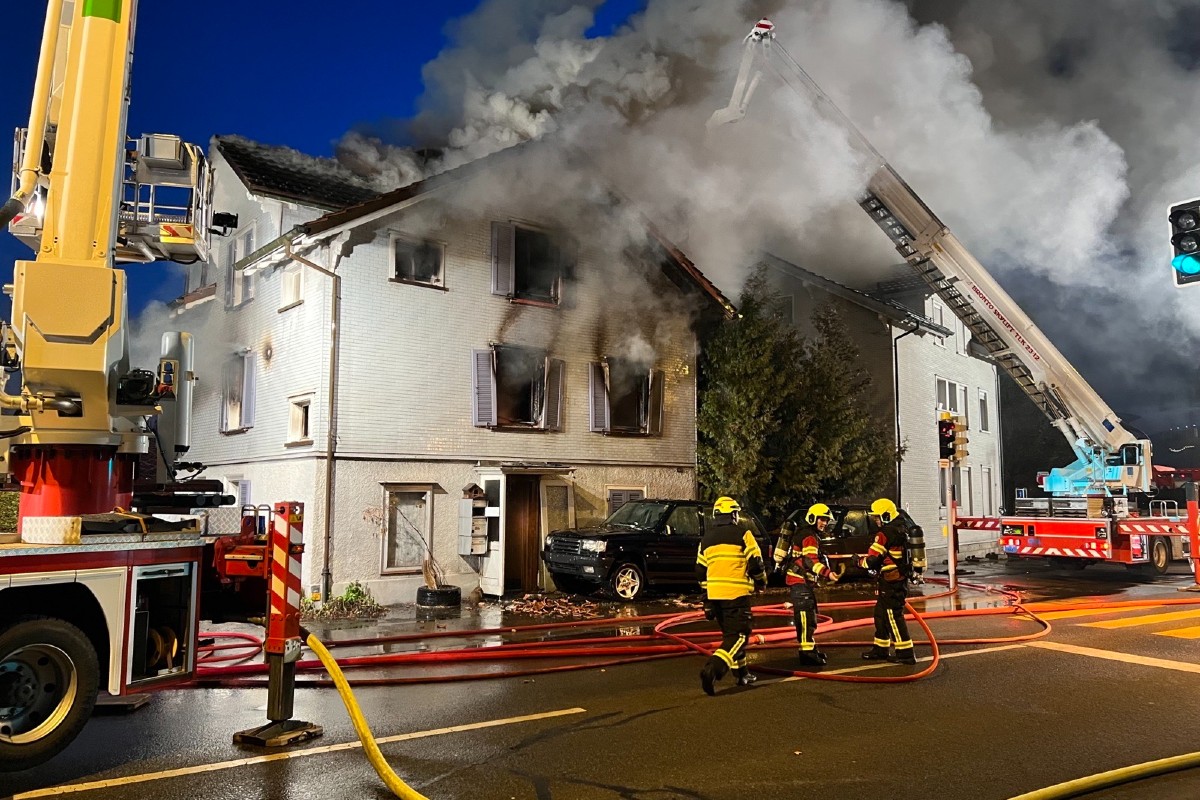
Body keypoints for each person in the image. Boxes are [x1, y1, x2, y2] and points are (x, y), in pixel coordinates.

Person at [696, 496, 767, 695]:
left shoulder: (706, 540)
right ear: (734, 515)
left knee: (730, 636)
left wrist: (707, 599)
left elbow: (700, 572)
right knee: (740, 637)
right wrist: (761, 581)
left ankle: (742, 673)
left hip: (716, 598)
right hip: (736, 596)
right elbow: (755, 563)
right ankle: (713, 669)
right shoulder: (743, 534)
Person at [774, 503, 839, 666]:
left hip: (801, 583)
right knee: (805, 618)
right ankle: (806, 653)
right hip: (799, 582)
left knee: (809, 616)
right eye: (822, 519)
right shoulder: (809, 536)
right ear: (812, 519)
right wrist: (827, 573)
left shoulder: (807, 534)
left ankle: (810, 648)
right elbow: (810, 560)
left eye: (826, 520)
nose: (824, 523)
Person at [859, 498, 915, 665]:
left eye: (877, 517)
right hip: (894, 580)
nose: (876, 521)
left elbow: (872, 560)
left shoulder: (885, 533)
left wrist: (857, 562)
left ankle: (905, 654)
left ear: (885, 515)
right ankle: (880, 649)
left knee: (892, 616)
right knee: (881, 614)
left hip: (892, 581)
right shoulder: (901, 528)